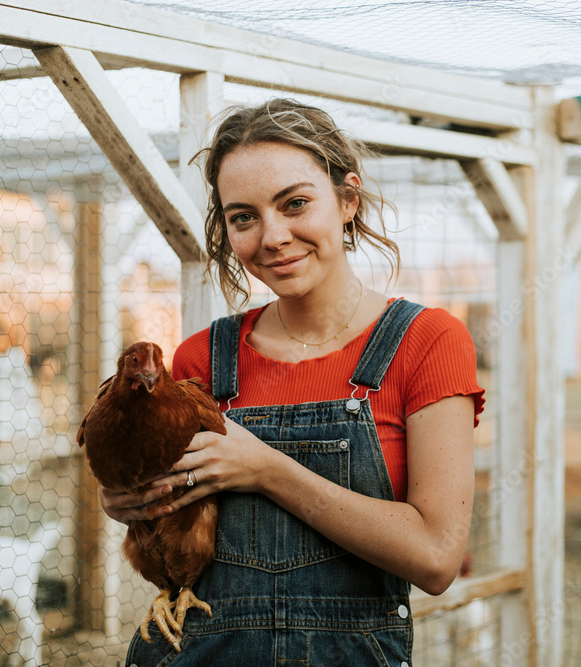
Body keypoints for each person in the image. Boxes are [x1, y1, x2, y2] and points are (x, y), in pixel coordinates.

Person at [99, 98, 484, 665]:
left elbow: (435, 558)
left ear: (347, 199)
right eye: (244, 217)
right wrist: (130, 498)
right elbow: (175, 533)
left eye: (295, 203)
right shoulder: (202, 358)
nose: (273, 236)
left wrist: (268, 471)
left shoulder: (427, 342)